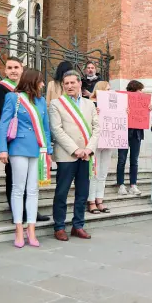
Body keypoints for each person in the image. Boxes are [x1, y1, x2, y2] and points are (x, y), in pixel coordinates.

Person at [0, 69, 52, 247]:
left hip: (37, 149)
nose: (43, 85)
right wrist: (2, 149)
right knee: (18, 189)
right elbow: (4, 123)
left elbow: (45, 128)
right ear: (32, 81)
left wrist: (47, 149)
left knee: (33, 190)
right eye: (40, 81)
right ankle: (19, 229)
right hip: (18, 147)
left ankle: (32, 230)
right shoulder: (13, 98)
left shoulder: (41, 101)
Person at [49, 70, 100, 241]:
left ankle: (78, 225)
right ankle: (59, 226)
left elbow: (97, 129)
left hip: (86, 155)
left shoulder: (89, 104)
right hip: (67, 155)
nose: (70, 86)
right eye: (66, 83)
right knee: (62, 192)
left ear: (80, 84)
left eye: (73, 83)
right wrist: (75, 149)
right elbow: (57, 130)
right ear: (63, 85)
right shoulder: (57, 104)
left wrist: (88, 149)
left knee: (82, 193)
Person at [117, 80, 147, 196]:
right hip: (123, 132)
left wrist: (147, 108)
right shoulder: (122, 101)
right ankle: (121, 185)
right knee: (121, 160)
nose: (141, 93)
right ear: (134, 90)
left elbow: (143, 116)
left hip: (137, 134)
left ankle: (133, 184)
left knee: (134, 160)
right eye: (140, 90)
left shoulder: (142, 102)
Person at [88, 81, 113, 214]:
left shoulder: (113, 105)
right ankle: (91, 201)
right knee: (94, 172)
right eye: (107, 90)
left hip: (109, 140)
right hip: (96, 141)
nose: (110, 92)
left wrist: (124, 113)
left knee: (103, 172)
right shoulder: (90, 103)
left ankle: (100, 199)